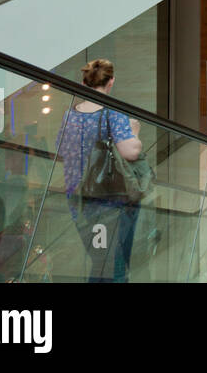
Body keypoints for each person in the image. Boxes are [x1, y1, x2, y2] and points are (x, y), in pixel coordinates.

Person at [55, 58, 144, 282]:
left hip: (79, 200)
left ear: (83, 84)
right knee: (115, 265)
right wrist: (134, 131)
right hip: (109, 201)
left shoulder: (70, 116)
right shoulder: (113, 112)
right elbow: (130, 152)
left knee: (99, 260)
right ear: (111, 81)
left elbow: (60, 148)